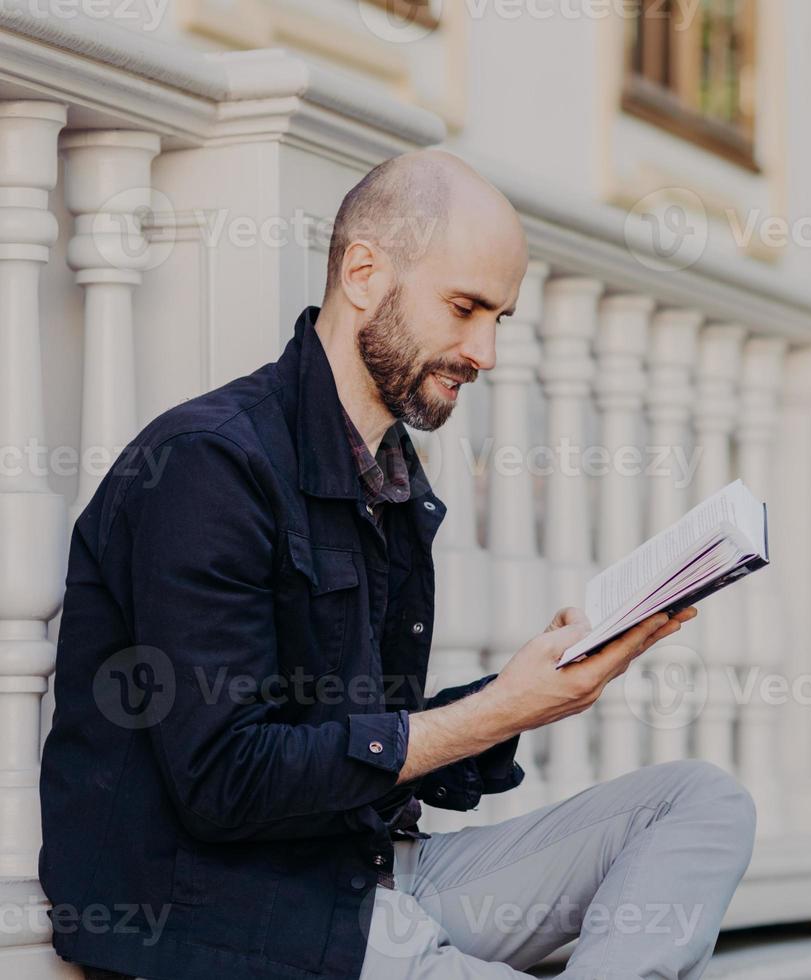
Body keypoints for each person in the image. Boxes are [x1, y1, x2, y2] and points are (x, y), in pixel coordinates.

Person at [39, 149, 757, 980]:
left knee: (701, 802)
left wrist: (530, 694)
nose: (484, 350)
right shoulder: (207, 466)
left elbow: (364, 743)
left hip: (375, 875)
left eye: (500, 319)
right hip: (238, 914)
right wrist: (497, 712)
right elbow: (224, 782)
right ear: (364, 272)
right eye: (464, 308)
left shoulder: (389, 476)